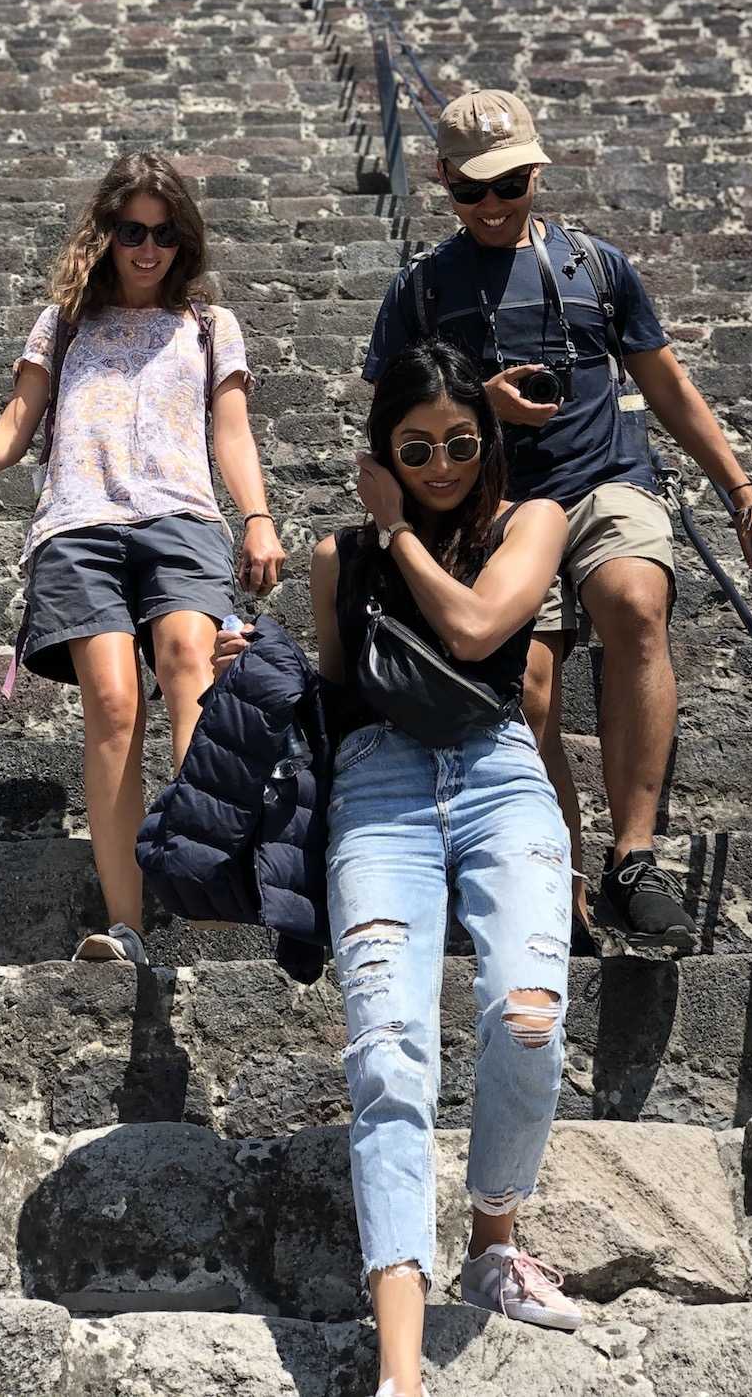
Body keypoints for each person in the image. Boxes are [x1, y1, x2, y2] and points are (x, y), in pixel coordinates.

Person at [216, 341, 582, 1397]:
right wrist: (274, 667)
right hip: (379, 794)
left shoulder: (533, 523)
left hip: (501, 775)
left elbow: (472, 630)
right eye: (415, 447)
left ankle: (495, 1237)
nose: (440, 464)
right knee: (386, 1056)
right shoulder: (339, 558)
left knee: (529, 1013)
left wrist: (394, 530)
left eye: (461, 443)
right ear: (384, 446)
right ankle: (403, 1371)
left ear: (489, 441)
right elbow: (340, 692)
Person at [362, 91, 752, 955]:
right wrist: (480, 403)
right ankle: (564, 879)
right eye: (471, 190)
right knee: (531, 690)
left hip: (605, 477)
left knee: (635, 599)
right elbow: (393, 416)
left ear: (537, 171)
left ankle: (636, 853)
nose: (492, 206)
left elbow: (668, 387)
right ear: (441, 180)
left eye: (510, 184)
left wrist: (743, 490)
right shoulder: (423, 288)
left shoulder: (597, 267)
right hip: (496, 503)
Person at [0, 152, 284, 967]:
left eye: (165, 233)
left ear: (186, 239)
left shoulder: (210, 324)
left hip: (180, 516)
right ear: (107, 235)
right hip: (78, 527)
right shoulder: (64, 322)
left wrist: (256, 517)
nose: (149, 249)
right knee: (111, 705)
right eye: (133, 232)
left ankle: (204, 872)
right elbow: (14, 427)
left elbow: (232, 432)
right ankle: (128, 925)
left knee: (189, 660)